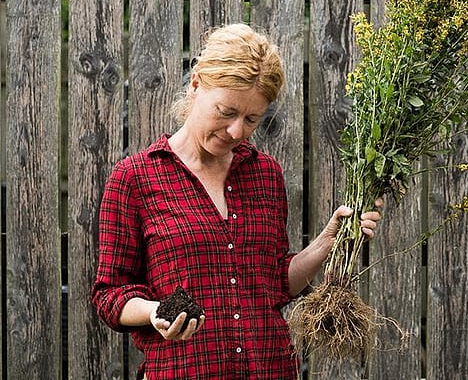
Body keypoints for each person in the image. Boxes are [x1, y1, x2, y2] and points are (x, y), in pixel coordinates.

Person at [92, 23, 382, 379]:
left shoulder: (265, 175)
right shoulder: (135, 178)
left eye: (251, 119)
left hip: (271, 370)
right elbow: (110, 295)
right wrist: (155, 311)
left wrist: (327, 241)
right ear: (196, 84)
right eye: (226, 112)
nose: (236, 131)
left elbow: (276, 282)